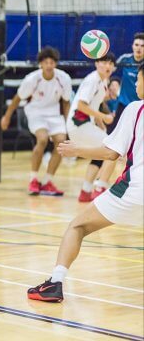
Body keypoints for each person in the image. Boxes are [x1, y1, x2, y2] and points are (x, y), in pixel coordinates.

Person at [27, 63, 144, 303]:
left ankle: (55, 282)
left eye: (139, 80)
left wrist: (77, 149)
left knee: (77, 227)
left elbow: (111, 153)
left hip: (133, 193)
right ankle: (93, 186)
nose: (136, 85)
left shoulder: (135, 109)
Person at [1, 47, 72, 196]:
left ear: (55, 64)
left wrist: (69, 123)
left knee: (61, 143)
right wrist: (7, 116)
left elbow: (66, 103)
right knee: (42, 139)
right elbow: (17, 98)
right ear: (41, 64)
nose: (49, 65)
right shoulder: (32, 79)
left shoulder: (63, 78)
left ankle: (47, 181)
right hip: (36, 113)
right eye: (46, 62)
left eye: (52, 62)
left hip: (54, 114)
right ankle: (33, 179)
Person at [92, 33, 144, 198]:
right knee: (112, 145)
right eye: (136, 45)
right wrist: (109, 86)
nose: (139, 48)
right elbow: (110, 73)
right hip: (124, 108)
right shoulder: (124, 60)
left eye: (142, 46)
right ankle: (99, 184)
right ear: (132, 46)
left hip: (140, 109)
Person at [66, 53, 116, 202]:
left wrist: (101, 126)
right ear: (96, 64)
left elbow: (94, 105)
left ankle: (86, 191)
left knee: (100, 153)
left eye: (110, 64)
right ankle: (100, 188)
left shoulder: (103, 81)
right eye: (104, 62)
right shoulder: (92, 80)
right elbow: (82, 105)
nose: (107, 66)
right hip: (79, 125)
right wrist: (103, 117)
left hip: (84, 125)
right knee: (113, 149)